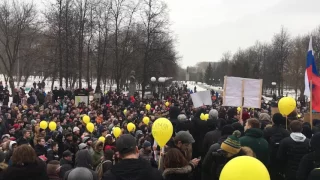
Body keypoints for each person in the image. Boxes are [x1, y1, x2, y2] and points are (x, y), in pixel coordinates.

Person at [264, 113, 290, 180]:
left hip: (270, 156)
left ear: (272, 120)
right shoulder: (286, 132)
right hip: (282, 157)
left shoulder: (267, 130)